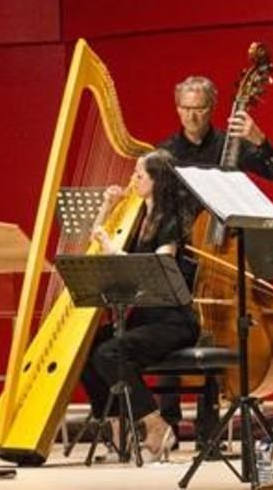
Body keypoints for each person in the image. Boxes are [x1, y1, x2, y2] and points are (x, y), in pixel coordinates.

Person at [156, 75, 273, 449]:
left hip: (224, 255)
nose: (192, 117)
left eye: (199, 109)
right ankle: (167, 420)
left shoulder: (232, 146)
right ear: (177, 108)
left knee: (216, 328)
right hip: (181, 254)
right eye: (185, 109)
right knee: (164, 319)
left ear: (212, 109)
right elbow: (158, 206)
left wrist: (259, 140)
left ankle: (209, 425)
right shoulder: (165, 153)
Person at [80, 149, 201, 463]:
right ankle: (119, 429)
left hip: (173, 321)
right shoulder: (137, 217)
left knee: (110, 352)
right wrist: (107, 206)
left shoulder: (171, 222)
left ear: (157, 181)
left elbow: (157, 268)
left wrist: (110, 246)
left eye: (139, 174)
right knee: (87, 347)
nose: (132, 179)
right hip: (146, 318)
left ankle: (156, 423)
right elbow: (97, 243)